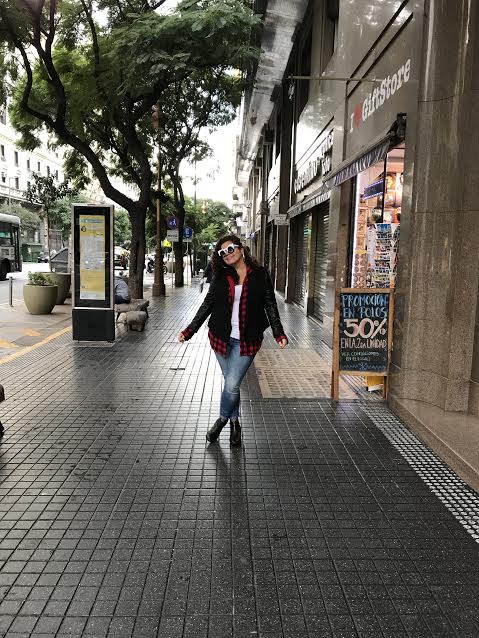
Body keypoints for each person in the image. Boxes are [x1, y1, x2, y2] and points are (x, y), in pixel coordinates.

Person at [178, 234, 288, 446]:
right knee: (233, 385)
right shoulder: (220, 275)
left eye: (230, 249)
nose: (227, 254)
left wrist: (278, 333)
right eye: (222, 252)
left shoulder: (260, 274)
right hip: (220, 338)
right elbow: (208, 304)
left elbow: (270, 303)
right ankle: (235, 424)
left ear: (241, 249)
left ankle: (221, 421)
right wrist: (189, 330)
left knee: (231, 384)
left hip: (247, 340)